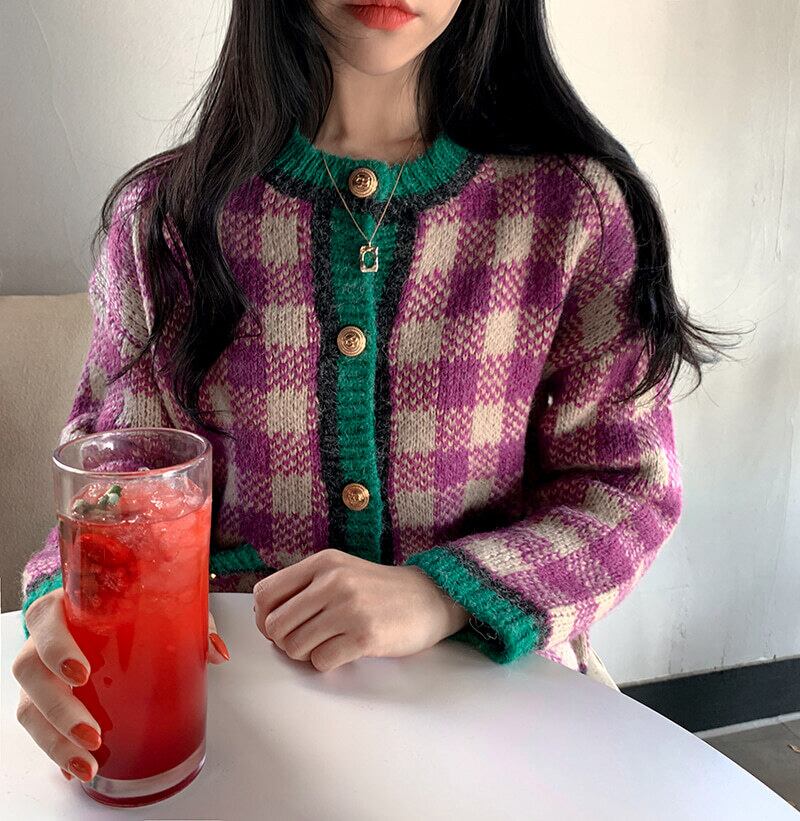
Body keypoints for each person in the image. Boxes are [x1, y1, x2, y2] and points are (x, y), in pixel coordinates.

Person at [13, 0, 736, 786]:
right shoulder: (166, 221)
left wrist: (442, 593)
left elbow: (627, 491)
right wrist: (65, 600)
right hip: (231, 720)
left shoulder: (573, 213)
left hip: (505, 721)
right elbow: (114, 484)